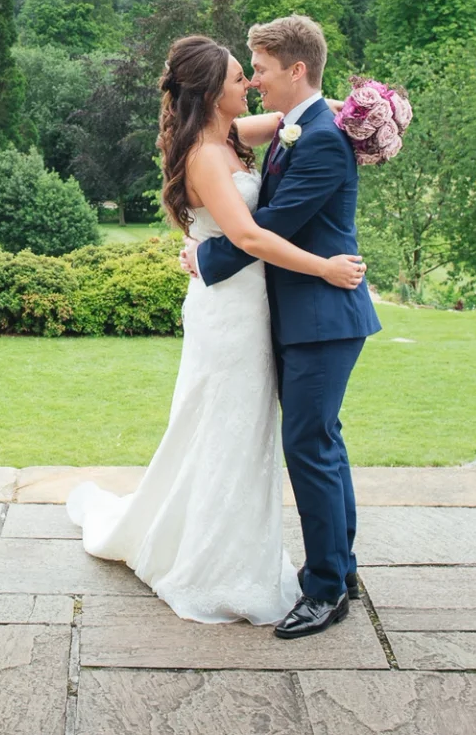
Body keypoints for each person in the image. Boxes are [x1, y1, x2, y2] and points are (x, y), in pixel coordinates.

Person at [65, 31, 366, 626]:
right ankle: (223, 560)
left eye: (252, 71)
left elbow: (288, 119)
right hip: (231, 314)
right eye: (238, 77)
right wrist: (324, 267)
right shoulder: (205, 153)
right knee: (234, 432)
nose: (248, 82)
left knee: (283, 437)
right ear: (210, 93)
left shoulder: (229, 134)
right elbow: (252, 236)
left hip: (255, 307)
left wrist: (347, 109)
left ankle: (330, 569)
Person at [187, 14, 383, 639]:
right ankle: (341, 569)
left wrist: (205, 255)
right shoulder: (303, 127)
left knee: (310, 447)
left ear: (296, 70)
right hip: (304, 315)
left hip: (323, 317)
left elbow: (274, 224)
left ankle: (325, 589)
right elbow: (218, 129)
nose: (257, 83)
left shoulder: (320, 138)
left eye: (263, 71)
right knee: (321, 441)